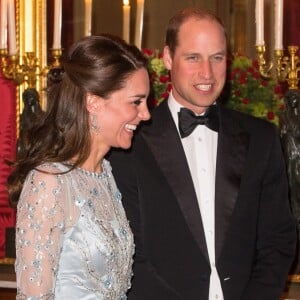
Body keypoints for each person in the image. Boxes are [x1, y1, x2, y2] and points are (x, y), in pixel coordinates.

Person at [108, 7, 297, 300]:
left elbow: (278, 238)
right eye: (193, 57)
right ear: (168, 57)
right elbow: (130, 255)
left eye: (217, 58)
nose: (206, 73)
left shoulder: (262, 138)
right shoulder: (129, 143)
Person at [8, 34, 150, 299]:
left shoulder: (105, 173)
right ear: (93, 101)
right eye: (136, 102)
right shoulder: (49, 181)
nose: (145, 114)